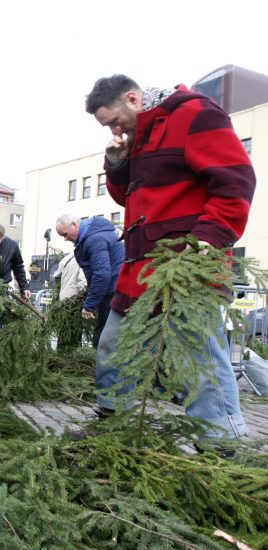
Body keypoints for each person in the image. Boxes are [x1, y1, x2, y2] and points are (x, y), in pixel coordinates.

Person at [85, 74, 255, 438]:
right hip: (138, 271)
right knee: (114, 346)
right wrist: (116, 161)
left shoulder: (195, 114)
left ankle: (219, 441)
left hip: (186, 267)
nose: (114, 130)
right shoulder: (139, 138)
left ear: (133, 99)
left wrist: (207, 240)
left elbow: (236, 179)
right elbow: (128, 198)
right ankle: (114, 425)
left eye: (114, 121)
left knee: (200, 356)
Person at [55, 214, 124, 347]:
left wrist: (90, 305)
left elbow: (102, 274)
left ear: (74, 225)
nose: (65, 239)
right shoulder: (91, 237)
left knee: (103, 339)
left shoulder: (95, 240)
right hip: (114, 291)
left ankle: (102, 367)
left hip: (113, 293)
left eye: (65, 234)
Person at [0, 224, 31, 299]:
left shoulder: (12, 246)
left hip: (3, 288)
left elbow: (18, 268)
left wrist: (24, 287)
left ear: (3, 237)